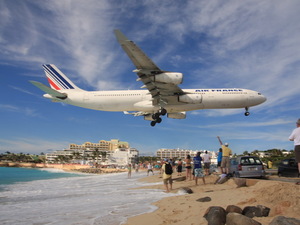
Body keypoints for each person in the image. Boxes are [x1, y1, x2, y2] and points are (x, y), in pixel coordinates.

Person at [289, 118, 300, 185]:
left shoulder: (296, 130)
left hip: (298, 146)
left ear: (298, 124)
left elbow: (290, 138)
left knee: (299, 163)